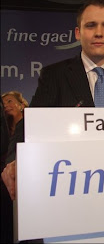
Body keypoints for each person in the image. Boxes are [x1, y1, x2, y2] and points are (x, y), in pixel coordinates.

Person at [1, 0, 104, 201]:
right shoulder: (54, 75)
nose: (99, 33)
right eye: (91, 25)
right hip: (72, 189)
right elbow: (29, 125)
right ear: (78, 33)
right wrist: (15, 159)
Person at [1, 91, 28, 243]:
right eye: (3, 104)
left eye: (10, 101)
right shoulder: (4, 135)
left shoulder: (29, 124)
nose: (6, 105)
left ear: (22, 105)